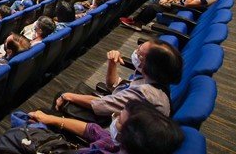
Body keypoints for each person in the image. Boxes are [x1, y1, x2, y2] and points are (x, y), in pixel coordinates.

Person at [52, 39, 182, 120]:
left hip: (113, 131)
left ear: (148, 65)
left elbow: (101, 104)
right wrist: (112, 63)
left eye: (139, 53)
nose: (135, 52)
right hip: (115, 113)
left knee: (61, 96)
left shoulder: (145, 93)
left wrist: (67, 96)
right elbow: (114, 85)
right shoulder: (153, 79)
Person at [27, 100, 184, 154]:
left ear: (130, 138)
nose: (115, 118)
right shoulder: (118, 146)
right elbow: (92, 130)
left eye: (119, 120)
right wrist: (51, 119)